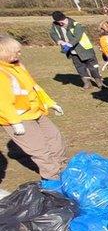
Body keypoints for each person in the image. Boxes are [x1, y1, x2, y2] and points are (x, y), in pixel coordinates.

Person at [0, 34, 68, 180]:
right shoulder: (2, 72)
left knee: (55, 138)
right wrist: (14, 122)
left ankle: (63, 169)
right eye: (15, 52)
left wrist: (50, 103)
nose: (19, 54)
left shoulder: (18, 66)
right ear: (4, 52)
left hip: (35, 112)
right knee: (40, 149)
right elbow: (2, 102)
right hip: (18, 118)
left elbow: (33, 87)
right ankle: (53, 178)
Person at [49, 11, 102, 91]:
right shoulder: (55, 25)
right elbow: (53, 33)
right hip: (72, 52)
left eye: (61, 22)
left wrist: (69, 44)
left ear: (64, 18)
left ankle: (98, 81)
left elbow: (77, 37)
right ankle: (87, 83)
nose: (60, 24)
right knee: (80, 67)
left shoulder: (76, 25)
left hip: (85, 49)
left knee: (93, 66)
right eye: (58, 22)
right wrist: (59, 41)